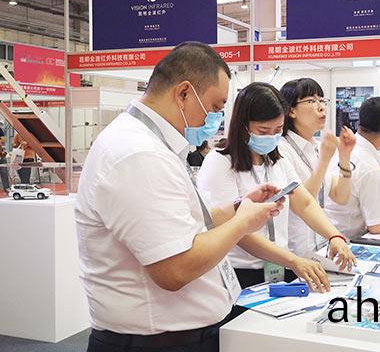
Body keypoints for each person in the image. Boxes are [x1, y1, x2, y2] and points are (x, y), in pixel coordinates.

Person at [75, 42, 286, 352]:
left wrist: (239, 207)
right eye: (214, 107)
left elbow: (186, 224)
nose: (215, 118)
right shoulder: (139, 154)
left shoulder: (150, 145)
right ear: (184, 93)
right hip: (157, 343)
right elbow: (175, 269)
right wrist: (241, 223)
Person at [197, 82, 356, 290]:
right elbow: (234, 229)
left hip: (280, 268)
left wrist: (334, 235)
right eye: (263, 130)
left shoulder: (277, 160)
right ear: (243, 125)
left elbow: (305, 203)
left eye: (278, 130)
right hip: (242, 273)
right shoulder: (220, 162)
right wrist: (292, 260)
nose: (271, 137)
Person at [279, 78, 356, 256]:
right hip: (294, 253)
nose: (321, 107)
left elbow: (341, 196)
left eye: (322, 100)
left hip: (320, 248)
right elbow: (302, 203)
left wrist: (345, 156)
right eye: (311, 101)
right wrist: (324, 160)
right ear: (291, 110)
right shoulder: (282, 149)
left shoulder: (316, 146)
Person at [325, 97, 380, 238]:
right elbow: (377, 225)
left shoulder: (341, 148)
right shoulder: (370, 168)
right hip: (347, 240)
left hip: (326, 235)